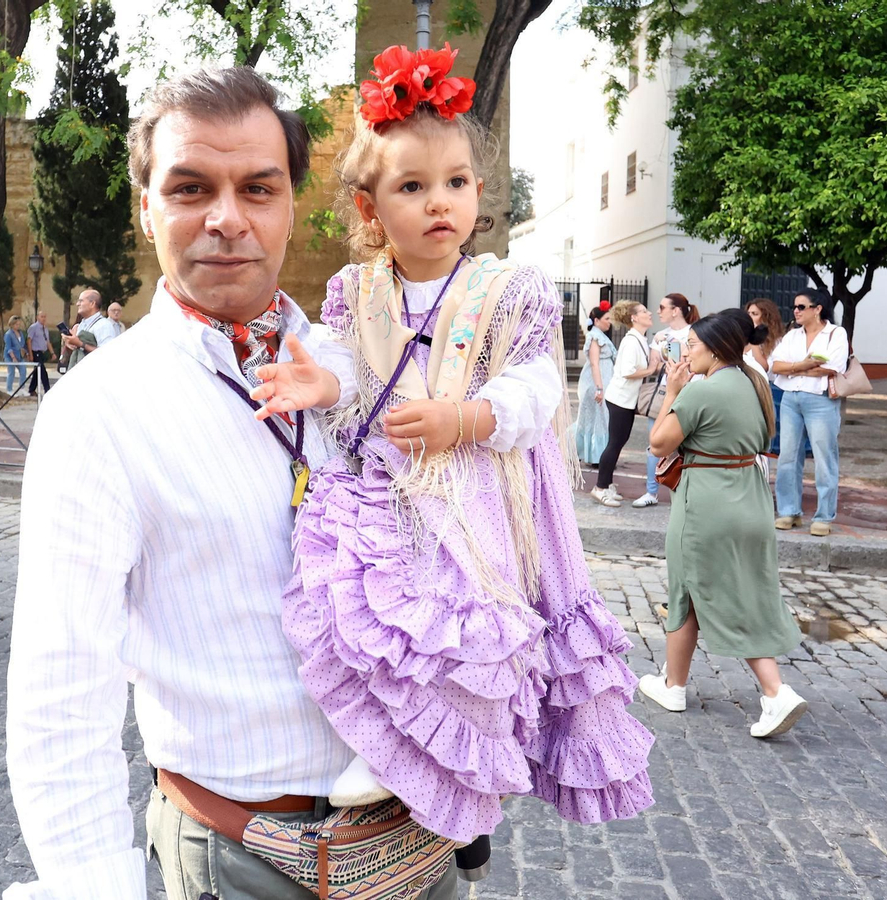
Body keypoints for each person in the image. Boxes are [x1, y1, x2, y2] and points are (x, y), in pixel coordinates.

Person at [6, 66, 465, 899]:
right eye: (190, 188)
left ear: (293, 204)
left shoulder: (365, 365)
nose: (226, 218)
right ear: (146, 207)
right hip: (242, 859)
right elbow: (60, 702)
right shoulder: (97, 412)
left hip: (419, 840)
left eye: (258, 187)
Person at [252, 43, 653, 847]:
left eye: (456, 183)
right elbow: (345, 364)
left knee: (473, 627)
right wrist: (323, 385)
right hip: (390, 478)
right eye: (412, 186)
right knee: (381, 616)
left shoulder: (510, 289)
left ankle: (464, 772)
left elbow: (538, 385)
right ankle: (398, 747)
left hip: (477, 485)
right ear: (370, 211)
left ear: (477, 191)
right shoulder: (355, 290)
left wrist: (465, 419)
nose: (440, 202)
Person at [635, 312, 808, 736]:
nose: (687, 351)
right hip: (749, 499)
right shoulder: (756, 382)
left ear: (715, 348)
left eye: (692, 344)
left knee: (712, 592)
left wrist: (673, 390)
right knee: (700, 591)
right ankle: (674, 684)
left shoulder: (703, 391)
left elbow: (657, 443)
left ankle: (775, 692)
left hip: (707, 502)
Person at [769, 288, 848, 536]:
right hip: (791, 398)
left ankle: (824, 515)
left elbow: (833, 367)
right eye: (794, 307)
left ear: (818, 309)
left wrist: (793, 369)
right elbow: (775, 366)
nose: (796, 311)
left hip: (821, 399)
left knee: (825, 456)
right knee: (788, 456)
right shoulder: (791, 336)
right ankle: (788, 511)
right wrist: (804, 365)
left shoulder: (836, 333)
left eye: (801, 307)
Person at [632, 292, 699, 508]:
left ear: (675, 310)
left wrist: (672, 348)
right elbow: (656, 365)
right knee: (656, 442)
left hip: (690, 391)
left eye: (662, 307)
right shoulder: (661, 335)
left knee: (688, 444)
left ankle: (685, 491)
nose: (657, 311)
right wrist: (669, 347)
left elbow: (691, 362)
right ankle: (651, 491)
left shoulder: (695, 333)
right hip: (665, 392)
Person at [593, 300, 662, 507]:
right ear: (633, 318)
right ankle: (600, 488)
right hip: (620, 399)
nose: (649, 313)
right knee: (614, 443)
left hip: (626, 400)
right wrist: (651, 370)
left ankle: (606, 484)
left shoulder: (639, 338)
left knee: (618, 442)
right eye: (643, 311)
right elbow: (627, 371)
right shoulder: (631, 340)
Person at [572, 305, 615, 464]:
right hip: (596, 383)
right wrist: (599, 388)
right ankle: (596, 456)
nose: (609, 322)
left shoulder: (600, 335)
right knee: (597, 418)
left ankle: (595, 455)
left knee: (598, 419)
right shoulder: (594, 337)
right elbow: (594, 364)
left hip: (602, 381)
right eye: (606, 319)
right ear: (596, 320)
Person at [745, 298, 787, 455]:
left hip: (767, 389)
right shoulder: (742, 339)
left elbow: (765, 367)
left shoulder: (777, 342)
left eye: (754, 314)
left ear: (766, 317)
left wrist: (755, 342)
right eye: (748, 313)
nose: (749, 317)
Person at [61, 288, 121, 367]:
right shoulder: (82, 324)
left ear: (92, 304)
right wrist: (70, 342)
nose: (77, 304)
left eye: (81, 301)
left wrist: (80, 344)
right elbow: (77, 350)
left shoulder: (103, 325)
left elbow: (108, 354)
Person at [25, 310, 52, 397]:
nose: (43, 318)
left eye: (45, 317)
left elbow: (47, 341)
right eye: (42, 316)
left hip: (42, 352)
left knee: (37, 371)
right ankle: (47, 389)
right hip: (35, 351)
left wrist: (52, 352)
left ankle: (31, 389)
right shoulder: (34, 327)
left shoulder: (45, 328)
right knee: (43, 371)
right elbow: (29, 340)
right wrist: (30, 354)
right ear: (37, 317)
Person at [3, 315, 27, 394]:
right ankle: (9, 390)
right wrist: (13, 357)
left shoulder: (20, 333)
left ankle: (22, 388)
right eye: (16, 324)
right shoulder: (8, 334)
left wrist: (26, 353)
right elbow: (8, 347)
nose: (18, 326)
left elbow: (22, 345)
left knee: (23, 371)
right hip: (10, 356)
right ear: (12, 325)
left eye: (19, 324)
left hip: (19, 355)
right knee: (11, 372)